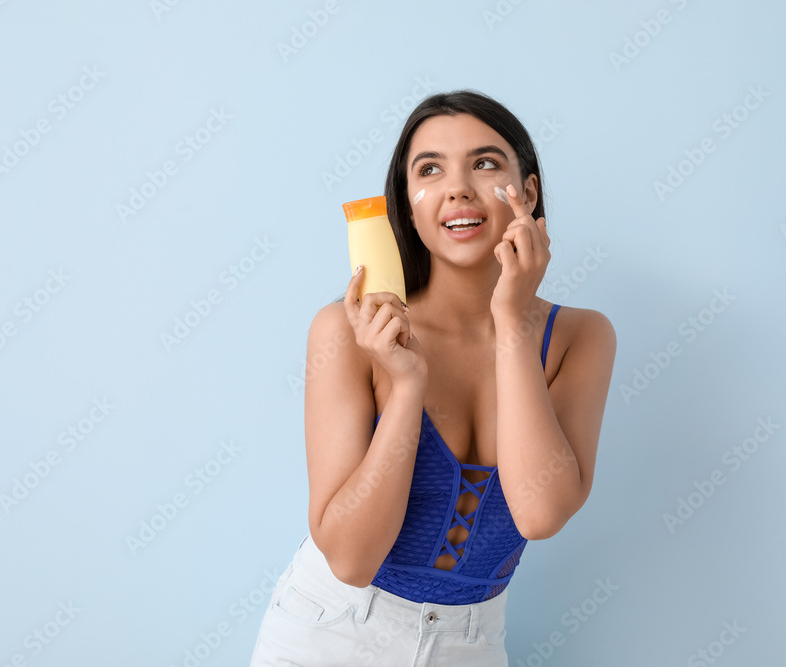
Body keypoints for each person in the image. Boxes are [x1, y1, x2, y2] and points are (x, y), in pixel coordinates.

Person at [249, 90, 616, 665]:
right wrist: (406, 388)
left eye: (486, 162)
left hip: (472, 642)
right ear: (409, 204)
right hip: (334, 630)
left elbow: (541, 514)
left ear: (529, 193)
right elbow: (350, 560)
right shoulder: (349, 332)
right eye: (430, 169)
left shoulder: (582, 337)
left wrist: (512, 322)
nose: (458, 187)